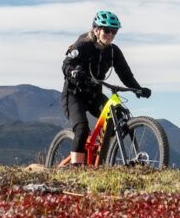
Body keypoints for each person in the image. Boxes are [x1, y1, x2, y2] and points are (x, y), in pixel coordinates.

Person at [61, 10, 151, 166]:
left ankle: (100, 155)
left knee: (119, 115)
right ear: (96, 29)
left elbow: (126, 75)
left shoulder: (113, 51)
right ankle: (75, 170)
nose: (110, 34)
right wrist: (75, 72)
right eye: (107, 30)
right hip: (74, 94)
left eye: (114, 31)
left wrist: (138, 89)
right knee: (82, 129)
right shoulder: (83, 44)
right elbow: (66, 65)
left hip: (94, 94)